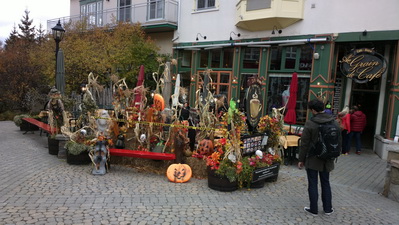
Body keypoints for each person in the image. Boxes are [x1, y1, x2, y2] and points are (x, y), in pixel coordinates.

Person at [298, 99, 341, 215]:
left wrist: (301, 159)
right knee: (326, 183)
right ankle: (328, 209)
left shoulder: (310, 123)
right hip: (328, 158)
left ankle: (314, 209)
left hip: (313, 158)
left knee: (313, 183)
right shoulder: (334, 122)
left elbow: (304, 143)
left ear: (313, 110)